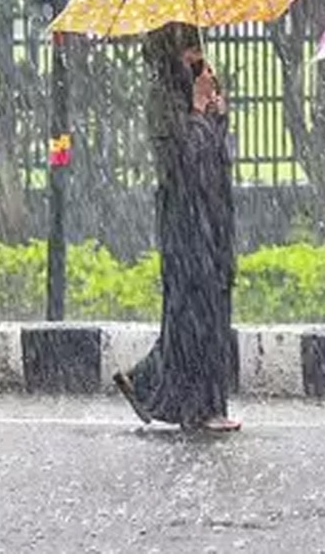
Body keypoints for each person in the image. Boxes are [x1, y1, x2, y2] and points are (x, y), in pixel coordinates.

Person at [113, 22, 240, 431]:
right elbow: (184, 162)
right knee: (192, 311)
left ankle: (154, 385)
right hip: (185, 218)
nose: (196, 57)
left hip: (213, 216)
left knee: (210, 307)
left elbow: (216, 160)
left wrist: (218, 115)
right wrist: (201, 112)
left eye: (197, 47)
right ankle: (197, 408)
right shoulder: (163, 99)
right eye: (188, 49)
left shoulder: (195, 93)